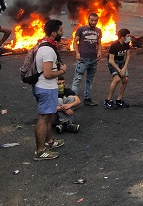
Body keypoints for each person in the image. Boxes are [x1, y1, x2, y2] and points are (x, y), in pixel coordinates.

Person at [33, 19, 67, 161]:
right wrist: (61, 71)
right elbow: (47, 74)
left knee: (48, 116)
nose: (62, 32)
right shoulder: (47, 50)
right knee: (43, 118)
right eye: (60, 30)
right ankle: (40, 151)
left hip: (48, 87)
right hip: (45, 88)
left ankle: (49, 142)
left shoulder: (47, 45)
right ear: (53, 33)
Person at [72, 13, 102, 106]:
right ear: (88, 19)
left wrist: (99, 52)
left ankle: (87, 99)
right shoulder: (81, 29)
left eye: (95, 21)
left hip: (93, 60)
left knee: (89, 80)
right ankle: (73, 101)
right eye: (92, 20)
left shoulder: (98, 30)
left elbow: (99, 43)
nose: (94, 22)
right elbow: (75, 42)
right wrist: (77, 53)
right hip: (83, 59)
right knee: (77, 79)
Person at [104, 28, 131, 110]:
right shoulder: (114, 45)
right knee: (117, 79)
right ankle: (108, 100)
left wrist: (124, 67)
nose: (129, 38)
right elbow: (111, 60)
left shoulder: (126, 44)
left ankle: (119, 100)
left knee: (125, 80)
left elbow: (128, 55)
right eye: (128, 36)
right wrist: (119, 71)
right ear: (122, 37)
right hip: (114, 63)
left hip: (121, 62)